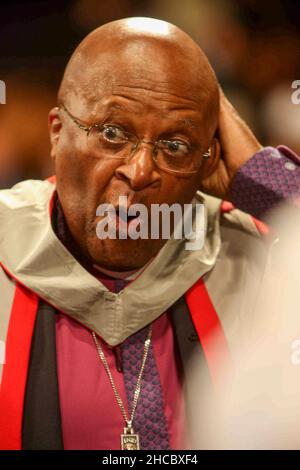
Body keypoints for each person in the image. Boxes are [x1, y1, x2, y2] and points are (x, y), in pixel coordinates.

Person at [0, 17, 300, 450]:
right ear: (57, 132)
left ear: (206, 160)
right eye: (112, 133)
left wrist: (264, 179)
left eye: (175, 145)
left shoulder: (248, 256)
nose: (140, 172)